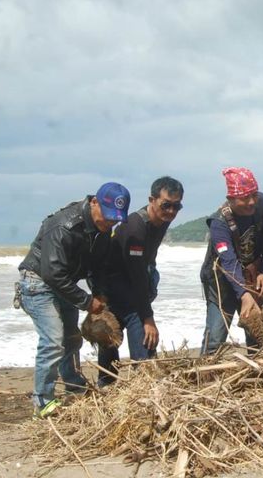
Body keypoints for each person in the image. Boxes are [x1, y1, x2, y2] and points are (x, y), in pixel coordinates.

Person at [17, 182, 130, 417]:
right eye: (107, 217)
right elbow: (52, 273)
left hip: (64, 283)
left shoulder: (102, 232)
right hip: (38, 282)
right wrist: (87, 302)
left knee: (71, 338)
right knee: (53, 340)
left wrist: (99, 293)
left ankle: (74, 384)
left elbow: (98, 267)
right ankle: (43, 401)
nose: (109, 223)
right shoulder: (64, 226)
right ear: (94, 202)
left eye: (115, 220)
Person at [95, 177, 184, 386]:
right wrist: (148, 318)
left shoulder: (161, 221)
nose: (171, 211)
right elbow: (137, 276)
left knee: (144, 357)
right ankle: (108, 390)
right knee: (116, 346)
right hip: (114, 291)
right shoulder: (135, 228)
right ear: (152, 200)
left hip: (133, 289)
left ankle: (142, 388)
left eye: (176, 206)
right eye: (166, 205)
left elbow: (146, 264)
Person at [200, 167, 263, 355]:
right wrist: (244, 294)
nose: (251, 202)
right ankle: (204, 375)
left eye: (254, 195)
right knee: (216, 337)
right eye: (244, 198)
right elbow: (228, 261)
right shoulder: (219, 223)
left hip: (252, 275)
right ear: (231, 198)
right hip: (222, 280)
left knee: (258, 335)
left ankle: (260, 377)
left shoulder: (262, 203)